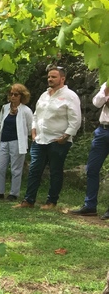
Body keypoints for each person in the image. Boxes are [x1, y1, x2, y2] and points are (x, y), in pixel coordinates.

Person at [14, 66, 81, 210]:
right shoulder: (44, 95)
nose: (50, 79)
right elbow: (37, 115)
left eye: (54, 77)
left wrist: (65, 136)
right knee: (34, 170)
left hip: (58, 140)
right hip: (40, 139)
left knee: (55, 171)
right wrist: (33, 131)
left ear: (62, 79)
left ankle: (51, 202)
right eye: (49, 77)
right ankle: (29, 200)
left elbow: (75, 119)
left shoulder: (70, 96)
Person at [70, 82, 109, 217]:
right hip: (102, 130)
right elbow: (96, 103)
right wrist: (107, 90)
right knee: (92, 168)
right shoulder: (107, 83)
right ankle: (90, 206)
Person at [0, 83, 33, 201]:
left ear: (21, 96)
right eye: (11, 94)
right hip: (4, 141)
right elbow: (1, 122)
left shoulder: (26, 110)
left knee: (16, 169)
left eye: (16, 94)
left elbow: (30, 128)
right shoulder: (5, 108)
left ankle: (13, 193)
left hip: (17, 142)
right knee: (0, 167)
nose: (13, 97)